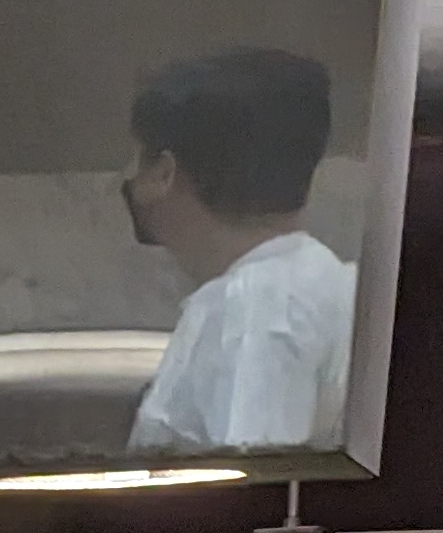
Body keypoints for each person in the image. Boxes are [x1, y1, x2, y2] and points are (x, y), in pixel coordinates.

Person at [122, 47, 357, 458]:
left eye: (138, 160)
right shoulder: (323, 280)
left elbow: (253, 480)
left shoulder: (253, 308)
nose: (128, 178)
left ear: (163, 172)